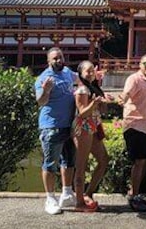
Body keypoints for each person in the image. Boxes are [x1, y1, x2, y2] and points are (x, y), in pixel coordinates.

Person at [34, 47, 77, 215]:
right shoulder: (43, 78)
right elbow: (41, 102)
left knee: (69, 160)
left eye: (60, 57)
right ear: (48, 61)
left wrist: (93, 75)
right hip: (51, 126)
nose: (59, 60)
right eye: (55, 58)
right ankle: (50, 198)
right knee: (50, 163)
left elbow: (79, 77)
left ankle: (66, 192)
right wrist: (46, 89)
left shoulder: (66, 72)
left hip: (69, 124)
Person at [116, 54, 146, 212]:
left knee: (145, 161)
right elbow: (126, 94)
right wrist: (122, 99)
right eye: (145, 63)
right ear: (140, 65)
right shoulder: (134, 79)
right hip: (135, 125)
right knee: (139, 161)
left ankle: (136, 193)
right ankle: (133, 196)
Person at [72, 61, 107, 212]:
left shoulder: (92, 87)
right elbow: (82, 113)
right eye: (88, 71)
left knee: (104, 159)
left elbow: (99, 110)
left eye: (93, 70)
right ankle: (79, 202)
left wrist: (103, 101)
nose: (91, 73)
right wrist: (93, 104)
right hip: (83, 128)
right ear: (80, 73)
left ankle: (88, 193)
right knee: (81, 166)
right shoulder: (82, 89)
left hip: (93, 127)